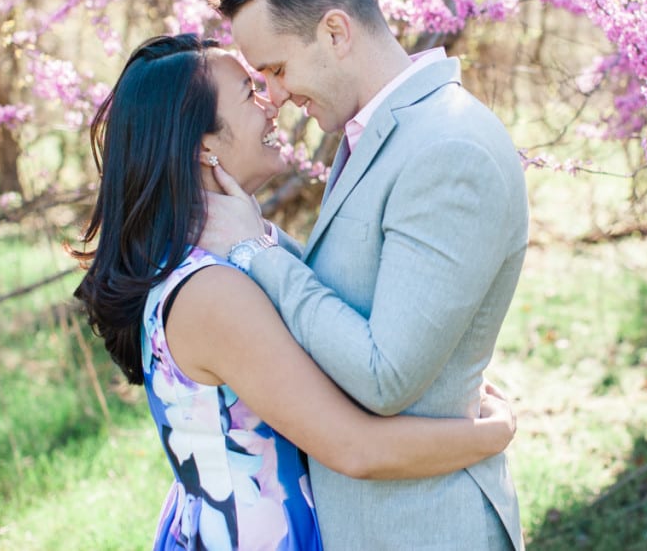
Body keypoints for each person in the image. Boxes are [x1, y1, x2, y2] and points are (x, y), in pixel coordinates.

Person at [71, 34, 518, 551]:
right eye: (249, 93)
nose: (272, 105)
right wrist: (489, 435)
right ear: (203, 145)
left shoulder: (214, 263)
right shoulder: (211, 292)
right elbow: (354, 449)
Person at [198, 0, 529, 550]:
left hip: (424, 525)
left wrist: (259, 254)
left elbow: (385, 375)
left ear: (334, 32)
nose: (271, 95)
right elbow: (352, 286)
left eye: (274, 68)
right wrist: (262, 236)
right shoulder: (376, 131)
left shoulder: (446, 147)